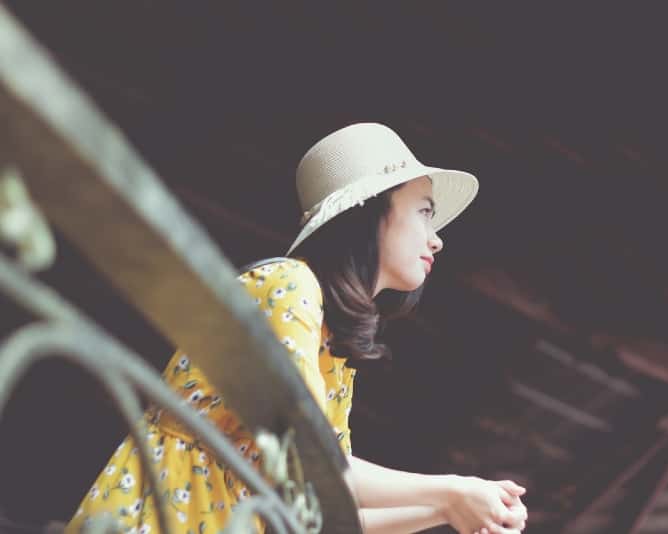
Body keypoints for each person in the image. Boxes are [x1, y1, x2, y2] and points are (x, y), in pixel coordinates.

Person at [66, 123, 528, 534]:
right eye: (424, 211)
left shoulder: (332, 349)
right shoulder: (288, 284)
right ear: (370, 210)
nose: (438, 237)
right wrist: (450, 491)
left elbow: (329, 509)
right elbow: (317, 468)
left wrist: (451, 509)